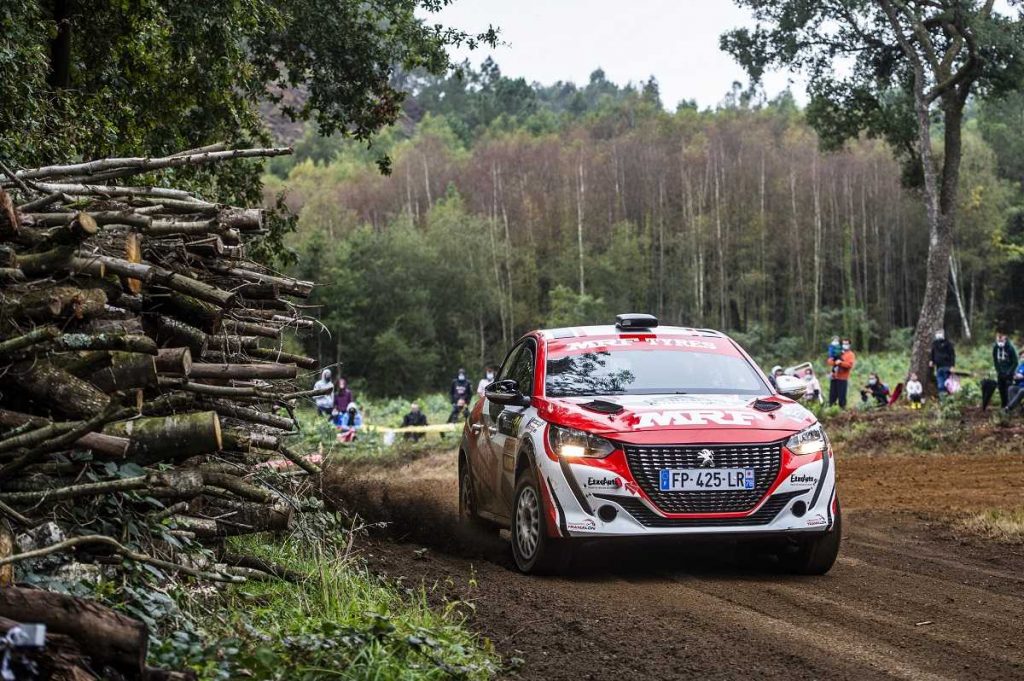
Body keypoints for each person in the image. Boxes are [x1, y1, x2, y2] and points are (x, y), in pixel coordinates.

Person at [827, 338, 856, 408]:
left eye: (846, 344)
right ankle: (831, 409)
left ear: (849, 345)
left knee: (842, 397)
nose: (845, 345)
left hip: (843, 378)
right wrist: (835, 362)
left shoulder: (851, 354)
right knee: (832, 396)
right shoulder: (838, 351)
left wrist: (841, 363)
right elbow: (829, 361)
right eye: (843, 343)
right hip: (834, 377)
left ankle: (842, 409)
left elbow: (849, 365)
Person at [993, 332, 1019, 408]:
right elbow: (995, 360)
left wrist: (1009, 372)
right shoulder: (996, 348)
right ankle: (1003, 404)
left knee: (1007, 389)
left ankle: (1009, 406)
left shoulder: (1010, 348)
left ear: (1005, 338)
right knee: (1001, 389)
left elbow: (1015, 362)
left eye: (1001, 339)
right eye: (998, 339)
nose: (1000, 341)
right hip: (1000, 373)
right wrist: (998, 370)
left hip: (1008, 373)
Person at [929, 330, 956, 399]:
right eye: (937, 333)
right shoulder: (935, 344)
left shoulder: (948, 343)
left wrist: (952, 366)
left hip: (947, 366)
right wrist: (931, 360)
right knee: (940, 384)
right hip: (938, 367)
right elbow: (932, 353)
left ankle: (949, 398)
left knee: (947, 383)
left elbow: (952, 355)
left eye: (940, 333)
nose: (938, 335)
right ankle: (942, 398)